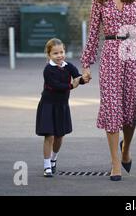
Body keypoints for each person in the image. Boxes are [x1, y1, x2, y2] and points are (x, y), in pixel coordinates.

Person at [81, 0, 136, 181]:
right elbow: (93, 33)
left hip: (131, 53)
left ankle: (126, 150)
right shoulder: (99, 0)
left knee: (131, 112)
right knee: (112, 110)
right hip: (111, 53)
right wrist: (86, 64)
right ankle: (115, 163)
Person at [35, 38, 89, 177]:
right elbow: (55, 86)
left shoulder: (68, 66)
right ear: (49, 55)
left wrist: (84, 78)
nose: (59, 55)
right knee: (49, 136)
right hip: (48, 105)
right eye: (55, 53)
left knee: (59, 136)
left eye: (61, 52)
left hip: (62, 106)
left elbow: (77, 77)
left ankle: (53, 159)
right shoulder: (48, 70)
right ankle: (46, 165)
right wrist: (72, 85)